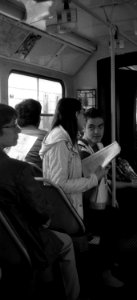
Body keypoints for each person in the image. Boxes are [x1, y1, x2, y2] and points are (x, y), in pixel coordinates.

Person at [39, 98, 124, 288]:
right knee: (109, 222)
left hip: (73, 200)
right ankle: (104, 271)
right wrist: (94, 178)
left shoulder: (66, 139)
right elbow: (58, 183)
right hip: (65, 208)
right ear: (76, 114)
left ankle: (106, 263)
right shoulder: (60, 142)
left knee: (113, 216)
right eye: (82, 114)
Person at [0, 103, 80, 300]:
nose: (19, 129)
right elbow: (42, 214)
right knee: (67, 241)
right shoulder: (20, 170)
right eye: (12, 125)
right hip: (20, 239)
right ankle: (72, 294)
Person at [78, 107, 137, 257]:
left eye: (100, 127)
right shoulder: (83, 151)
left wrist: (130, 184)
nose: (97, 131)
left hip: (104, 193)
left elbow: (107, 181)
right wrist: (123, 189)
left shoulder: (100, 146)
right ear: (83, 127)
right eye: (91, 127)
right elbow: (93, 184)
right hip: (92, 201)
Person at [15, 99, 47, 170]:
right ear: (38, 118)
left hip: (13, 176)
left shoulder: (13, 135)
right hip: (37, 178)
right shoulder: (46, 136)